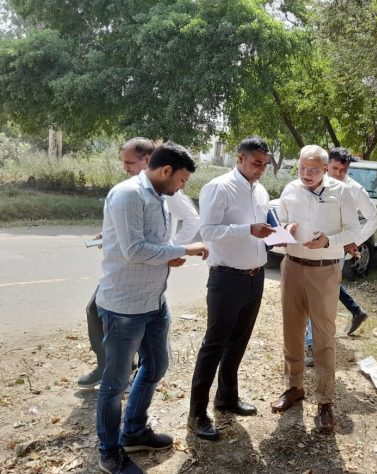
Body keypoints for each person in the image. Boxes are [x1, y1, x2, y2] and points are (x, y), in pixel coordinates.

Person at [95, 142, 208, 474]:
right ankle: (109, 452)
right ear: (166, 171)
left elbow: (152, 245)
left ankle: (134, 431)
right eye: (182, 180)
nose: (182, 186)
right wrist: (185, 248)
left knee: (157, 365)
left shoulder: (159, 196)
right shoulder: (129, 194)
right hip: (124, 307)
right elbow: (133, 249)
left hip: (153, 301)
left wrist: (168, 253)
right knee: (115, 383)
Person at [76, 138, 200, 388]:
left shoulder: (168, 188)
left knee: (150, 357)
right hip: (124, 281)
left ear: (148, 161)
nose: (125, 167)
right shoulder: (131, 191)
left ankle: (120, 371)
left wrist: (173, 249)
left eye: (130, 162)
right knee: (98, 314)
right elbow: (134, 239)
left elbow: (192, 220)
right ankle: (112, 368)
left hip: (145, 283)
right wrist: (112, 234)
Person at [187, 137, 274, 441]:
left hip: (255, 276)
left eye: (264, 164)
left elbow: (261, 229)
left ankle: (226, 398)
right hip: (226, 277)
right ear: (240, 158)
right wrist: (247, 230)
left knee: (238, 342)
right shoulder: (219, 187)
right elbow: (208, 231)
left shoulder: (260, 191)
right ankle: (197, 413)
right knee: (214, 345)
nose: (261, 169)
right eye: (255, 163)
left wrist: (277, 234)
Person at [271, 145, 361, 432]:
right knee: (292, 332)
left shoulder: (341, 191)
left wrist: (327, 241)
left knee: (323, 338)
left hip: (324, 272)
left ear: (325, 168)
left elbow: (354, 230)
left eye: (313, 170)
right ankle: (294, 387)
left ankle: (325, 402)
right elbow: (279, 224)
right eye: (302, 168)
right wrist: (286, 228)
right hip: (293, 266)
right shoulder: (290, 189)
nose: (306, 174)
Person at [304, 147, 377, 365]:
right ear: (327, 165)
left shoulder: (354, 189)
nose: (337, 173)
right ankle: (311, 338)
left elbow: (373, 218)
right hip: (310, 248)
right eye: (334, 168)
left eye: (342, 169)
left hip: (334, 251)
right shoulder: (317, 181)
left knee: (320, 299)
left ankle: (312, 342)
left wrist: (353, 241)